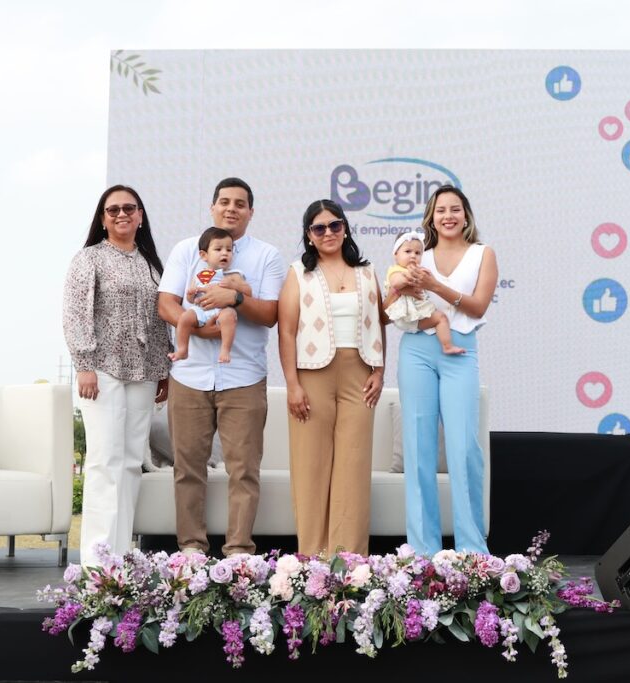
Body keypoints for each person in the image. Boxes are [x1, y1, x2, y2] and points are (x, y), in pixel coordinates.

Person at [158, 178, 286, 557]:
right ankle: (191, 550)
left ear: (251, 212)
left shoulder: (266, 256)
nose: (231, 209)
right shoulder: (187, 250)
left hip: (244, 377)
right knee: (187, 468)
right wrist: (198, 329)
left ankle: (239, 552)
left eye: (240, 204)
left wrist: (235, 298)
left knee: (244, 470)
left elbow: (270, 314)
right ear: (212, 207)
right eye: (224, 202)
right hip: (190, 375)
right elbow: (166, 303)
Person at [62, 185, 170, 567]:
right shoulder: (89, 258)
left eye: (129, 208)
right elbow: (75, 314)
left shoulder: (152, 264)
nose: (122, 214)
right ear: (103, 218)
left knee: (129, 463)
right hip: (102, 369)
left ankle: (121, 560)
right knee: (104, 461)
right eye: (113, 210)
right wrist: (84, 365)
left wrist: (164, 370)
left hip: (144, 371)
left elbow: (161, 319)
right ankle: (97, 564)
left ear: (140, 216)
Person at [392, 184, 497, 556]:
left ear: (465, 214)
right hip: (416, 350)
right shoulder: (417, 255)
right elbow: (393, 302)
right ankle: (422, 551)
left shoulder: (483, 254)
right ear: (431, 217)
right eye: (440, 210)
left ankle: (472, 550)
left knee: (464, 447)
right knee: (418, 447)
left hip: (460, 351)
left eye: (455, 209)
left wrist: (435, 285)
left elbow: (478, 306)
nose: (448, 216)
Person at [278, 199, 386, 557]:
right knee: (311, 465)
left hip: (360, 374)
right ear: (309, 235)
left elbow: (379, 323)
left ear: (345, 229)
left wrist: (380, 370)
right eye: (319, 228)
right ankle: (312, 557)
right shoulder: (298, 273)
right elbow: (286, 331)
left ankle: (349, 559)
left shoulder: (367, 272)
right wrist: (292, 384)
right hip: (312, 375)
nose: (328, 233)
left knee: (353, 465)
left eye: (335, 225)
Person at [168, 227, 250, 364]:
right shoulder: (200, 275)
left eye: (229, 250)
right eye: (218, 249)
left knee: (229, 316)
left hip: (222, 310)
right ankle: (182, 349)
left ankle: (225, 350)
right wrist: (190, 295)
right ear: (204, 255)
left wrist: (234, 285)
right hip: (202, 309)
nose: (224, 253)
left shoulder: (233, 274)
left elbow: (248, 292)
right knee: (184, 317)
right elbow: (192, 300)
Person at [385, 230, 465, 355]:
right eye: (407, 251)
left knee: (441, 318)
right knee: (441, 318)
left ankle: (447, 346)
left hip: (416, 315)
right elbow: (395, 283)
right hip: (405, 315)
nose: (413, 256)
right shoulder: (396, 270)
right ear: (396, 254)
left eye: (417, 253)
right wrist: (410, 275)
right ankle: (447, 346)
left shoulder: (419, 270)